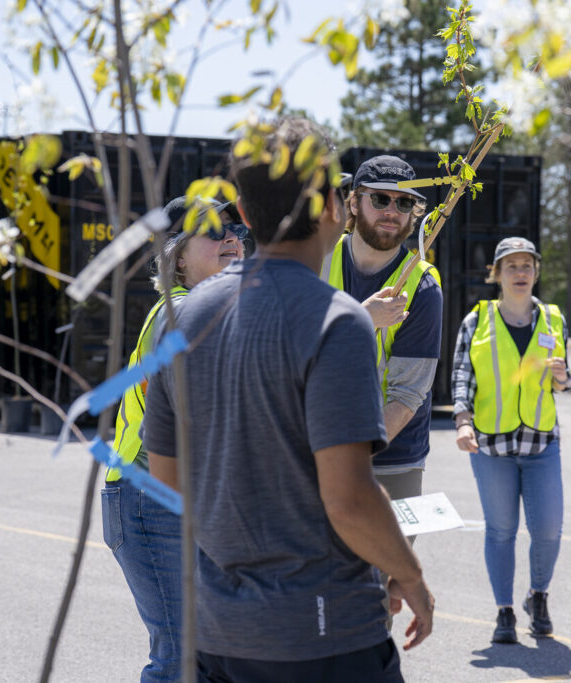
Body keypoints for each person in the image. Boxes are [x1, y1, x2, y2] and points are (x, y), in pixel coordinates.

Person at [143, 116, 434, 681]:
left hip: (221, 633)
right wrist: (409, 573)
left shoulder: (187, 317)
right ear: (336, 206)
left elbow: (168, 482)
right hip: (324, 637)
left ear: (246, 215)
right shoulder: (337, 320)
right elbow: (349, 497)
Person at [101, 196, 246, 682]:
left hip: (177, 502)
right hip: (148, 501)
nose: (231, 238)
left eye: (235, 231)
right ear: (178, 256)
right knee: (182, 660)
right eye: (213, 231)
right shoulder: (179, 311)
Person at [450, 236, 571, 645]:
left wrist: (561, 378)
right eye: (511, 266)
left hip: (541, 444)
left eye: (527, 266)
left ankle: (537, 596)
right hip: (492, 447)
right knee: (501, 530)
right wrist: (463, 422)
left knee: (549, 529)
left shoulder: (554, 320)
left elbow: (563, 380)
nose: (520, 273)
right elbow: (462, 376)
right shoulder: (476, 321)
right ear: (496, 274)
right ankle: (504, 611)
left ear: (536, 272)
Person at [320, 154, 443, 507]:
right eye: (380, 199)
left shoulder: (422, 288)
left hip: (393, 463)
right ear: (355, 202)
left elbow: (406, 396)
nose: (392, 211)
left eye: (404, 202)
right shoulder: (318, 262)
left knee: (389, 565)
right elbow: (291, 352)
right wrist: (362, 319)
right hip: (315, 451)